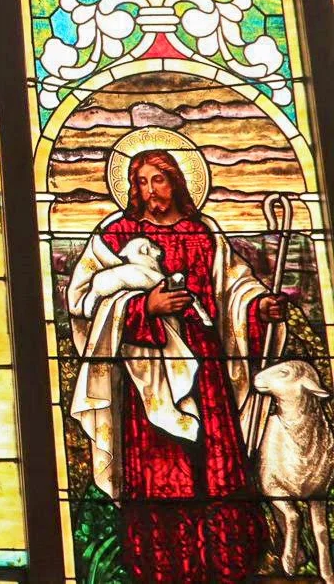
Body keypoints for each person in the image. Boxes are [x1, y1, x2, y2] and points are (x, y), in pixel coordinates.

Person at [66, 148, 288, 582]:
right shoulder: (115, 236)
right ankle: (162, 569)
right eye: (143, 182)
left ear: (177, 183)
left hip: (206, 373)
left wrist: (261, 307)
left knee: (216, 471)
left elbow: (234, 290)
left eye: (159, 180)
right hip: (147, 375)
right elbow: (82, 301)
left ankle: (227, 566)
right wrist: (144, 305)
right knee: (163, 474)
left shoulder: (202, 234)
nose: (151, 191)